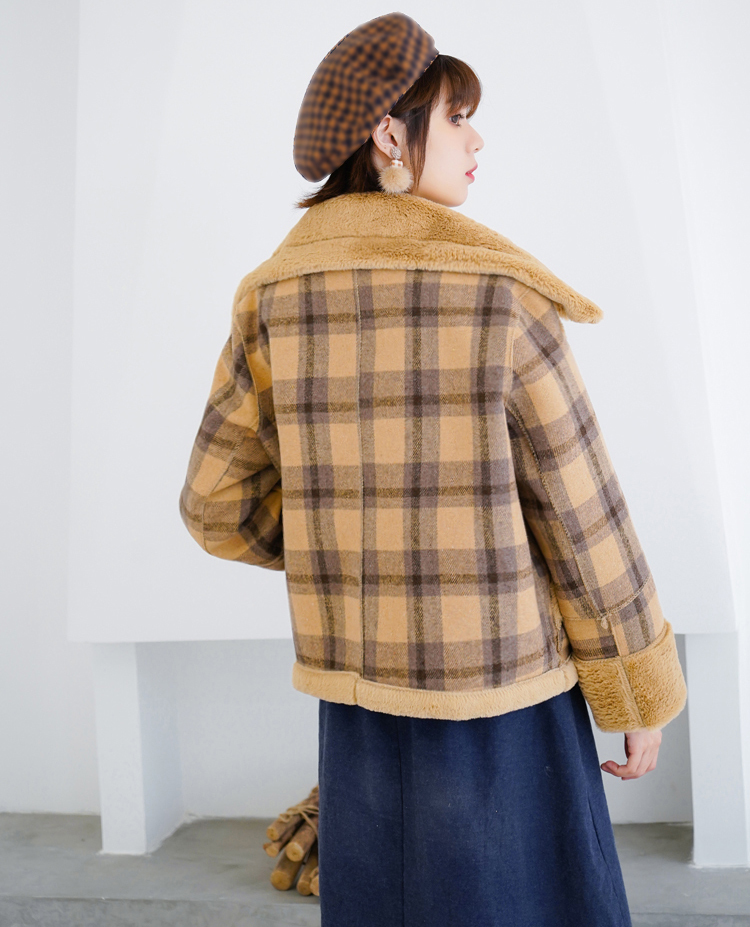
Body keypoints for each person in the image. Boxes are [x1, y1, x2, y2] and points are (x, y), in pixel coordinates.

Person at [177, 12, 688, 927]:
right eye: (456, 118)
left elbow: (215, 501)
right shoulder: (501, 294)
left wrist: (345, 544)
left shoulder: (271, 299)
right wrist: (636, 686)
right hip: (503, 694)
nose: (477, 138)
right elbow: (582, 514)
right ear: (389, 135)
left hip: (356, 693)